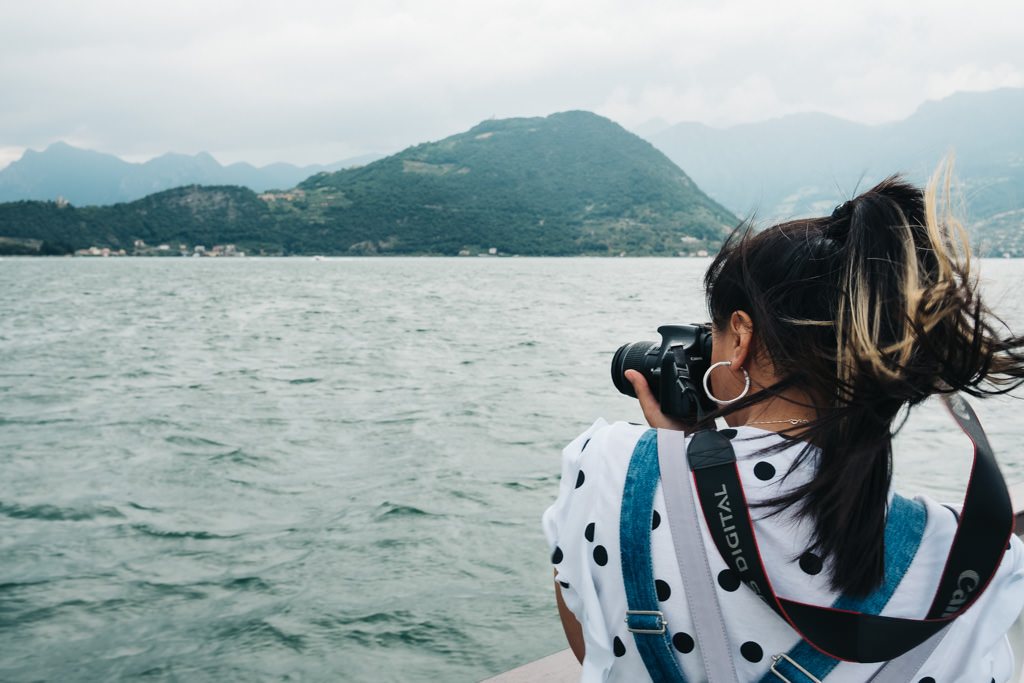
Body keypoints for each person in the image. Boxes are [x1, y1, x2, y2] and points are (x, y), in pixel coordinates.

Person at [543, 167, 1024, 682]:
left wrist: (674, 459)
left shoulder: (608, 469)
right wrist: (701, 458)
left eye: (716, 333)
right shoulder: (967, 563)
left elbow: (595, 648)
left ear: (742, 339)